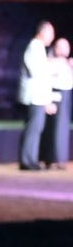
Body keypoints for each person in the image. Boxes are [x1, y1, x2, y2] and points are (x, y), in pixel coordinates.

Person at [18, 20, 57, 171]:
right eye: (50, 33)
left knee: (37, 127)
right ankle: (27, 160)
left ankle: (31, 159)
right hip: (35, 96)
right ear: (42, 32)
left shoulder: (39, 48)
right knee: (33, 128)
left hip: (39, 97)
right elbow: (38, 73)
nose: (52, 37)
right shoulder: (34, 47)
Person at [50, 37, 73, 170]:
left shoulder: (68, 63)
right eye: (62, 46)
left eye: (67, 47)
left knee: (63, 128)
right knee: (56, 128)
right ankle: (54, 158)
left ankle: (61, 158)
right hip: (56, 95)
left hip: (66, 95)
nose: (65, 49)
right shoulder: (52, 62)